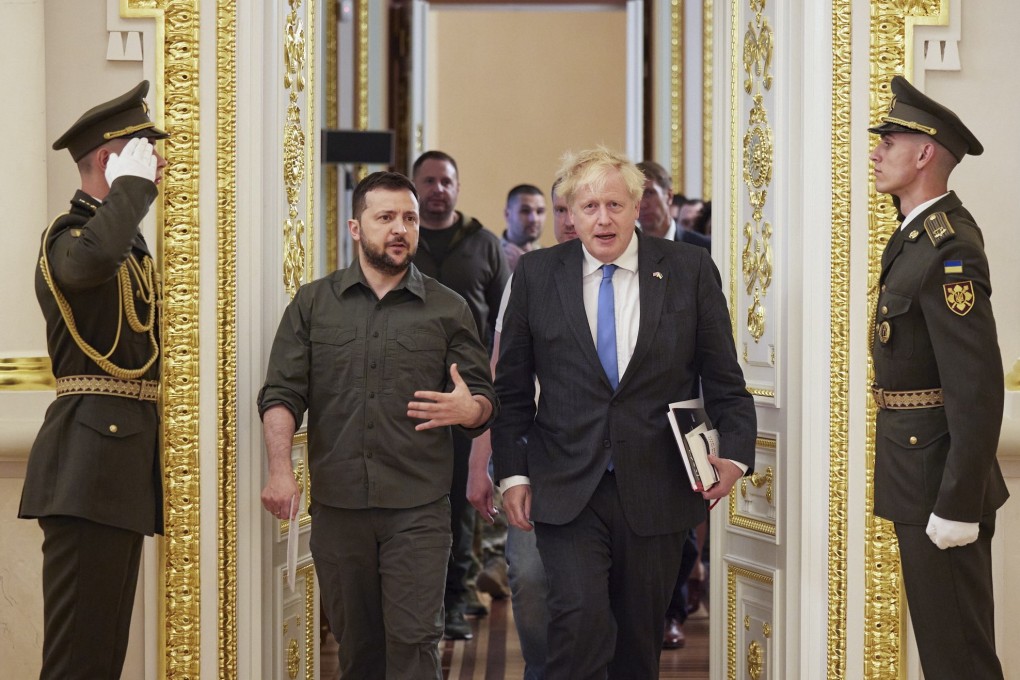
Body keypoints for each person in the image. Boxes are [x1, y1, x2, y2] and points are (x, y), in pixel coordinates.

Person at [493, 146, 756, 678]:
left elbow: (725, 380)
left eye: (615, 204)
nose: (602, 218)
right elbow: (513, 391)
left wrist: (735, 456)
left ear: (639, 207)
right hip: (566, 486)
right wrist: (512, 473)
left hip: (657, 488)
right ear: (569, 214)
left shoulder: (688, 270)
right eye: (587, 207)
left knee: (639, 643)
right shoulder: (538, 275)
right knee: (579, 621)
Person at [259, 171, 497, 678]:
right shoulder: (313, 304)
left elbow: (483, 399)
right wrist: (280, 470)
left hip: (418, 509)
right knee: (358, 649)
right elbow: (282, 393)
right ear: (354, 226)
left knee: (413, 645)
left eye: (408, 219)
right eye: (385, 217)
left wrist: (470, 410)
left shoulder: (448, 308)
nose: (399, 229)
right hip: (339, 508)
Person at [18, 80, 168, 680]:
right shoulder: (68, 239)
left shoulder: (127, 248)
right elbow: (88, 267)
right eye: (142, 150)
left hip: (118, 469)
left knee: (101, 656)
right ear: (109, 160)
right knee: (77, 660)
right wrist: (129, 189)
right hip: (87, 467)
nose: (157, 161)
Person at [868, 75, 1008, 680]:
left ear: (925, 153)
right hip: (915, 464)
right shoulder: (913, 238)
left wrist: (958, 502)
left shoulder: (949, 248)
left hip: (938, 475)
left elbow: (976, 385)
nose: (876, 151)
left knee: (959, 655)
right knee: (942, 645)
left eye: (890, 140)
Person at [467, 177, 578, 679]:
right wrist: (480, 462)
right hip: (535, 457)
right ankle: (542, 670)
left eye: (580, 207)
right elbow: (501, 375)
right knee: (530, 579)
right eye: (562, 209)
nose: (570, 220)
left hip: (611, 462)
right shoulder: (530, 275)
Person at [411, 150, 510, 638]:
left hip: (466, 394)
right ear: (415, 185)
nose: (437, 189)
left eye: (445, 180)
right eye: (428, 181)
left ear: (457, 186)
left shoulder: (484, 244)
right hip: (405, 391)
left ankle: (455, 602)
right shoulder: (398, 239)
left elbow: (505, 322)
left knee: (459, 501)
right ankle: (418, 607)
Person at [636, 160, 710, 250]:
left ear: (669, 196)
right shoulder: (623, 250)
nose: (642, 204)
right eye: (635, 195)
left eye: (649, 193)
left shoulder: (702, 247)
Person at [502, 184, 547, 271]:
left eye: (540, 211)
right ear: (507, 214)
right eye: (525, 211)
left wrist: (524, 268)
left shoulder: (551, 260)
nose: (534, 219)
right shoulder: (490, 256)